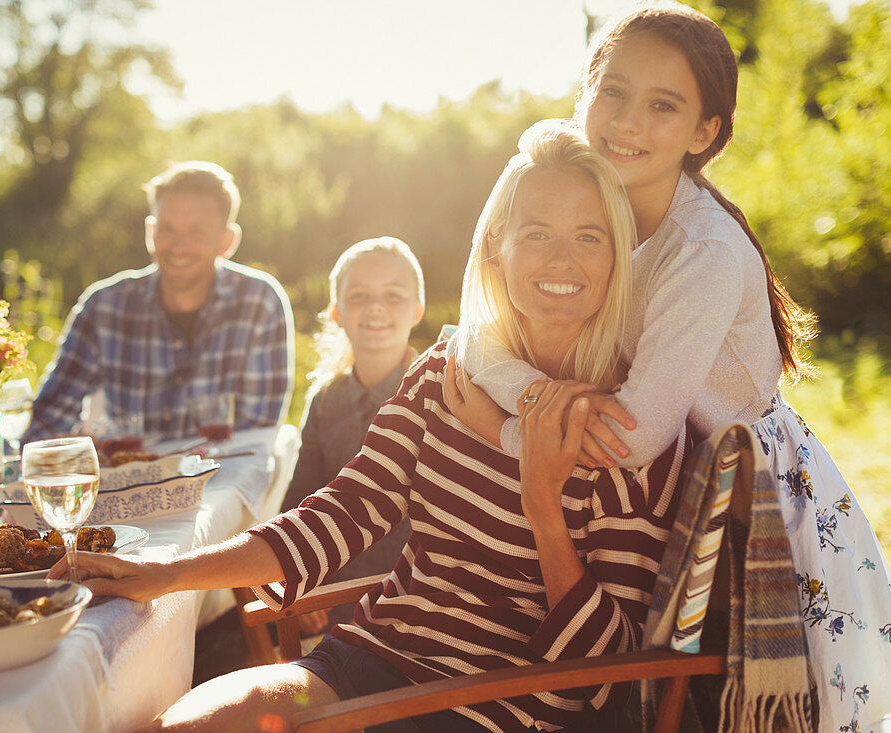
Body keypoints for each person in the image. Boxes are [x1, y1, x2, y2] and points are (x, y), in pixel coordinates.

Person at [51, 126, 692, 732]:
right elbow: (345, 511)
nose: (562, 259)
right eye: (537, 234)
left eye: (589, 236)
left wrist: (542, 507)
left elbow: (602, 673)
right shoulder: (448, 372)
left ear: (618, 255)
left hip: (499, 705)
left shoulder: (632, 423)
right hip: (369, 660)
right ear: (497, 248)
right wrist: (166, 574)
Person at [451, 5, 891, 731]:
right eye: (614, 92)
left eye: (664, 106)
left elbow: (632, 440)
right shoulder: (568, 186)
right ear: (585, 92)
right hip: (640, 499)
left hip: (735, 501)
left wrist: (501, 429)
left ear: (704, 132)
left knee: (731, 710)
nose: (628, 122)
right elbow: (478, 325)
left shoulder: (703, 255)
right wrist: (537, 397)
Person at [24, 161, 295, 444]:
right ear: (150, 233)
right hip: (128, 480)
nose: (178, 247)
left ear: (226, 241)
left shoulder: (260, 302)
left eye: (196, 232)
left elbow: (257, 434)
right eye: (168, 229)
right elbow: (50, 417)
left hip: (223, 478)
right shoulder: (103, 306)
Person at [280, 236, 425, 632]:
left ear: (417, 310)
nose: (376, 307)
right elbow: (300, 498)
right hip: (333, 592)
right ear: (337, 311)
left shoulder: (437, 397)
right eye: (359, 295)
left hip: (413, 595)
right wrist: (301, 579)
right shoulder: (326, 400)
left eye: (394, 296)